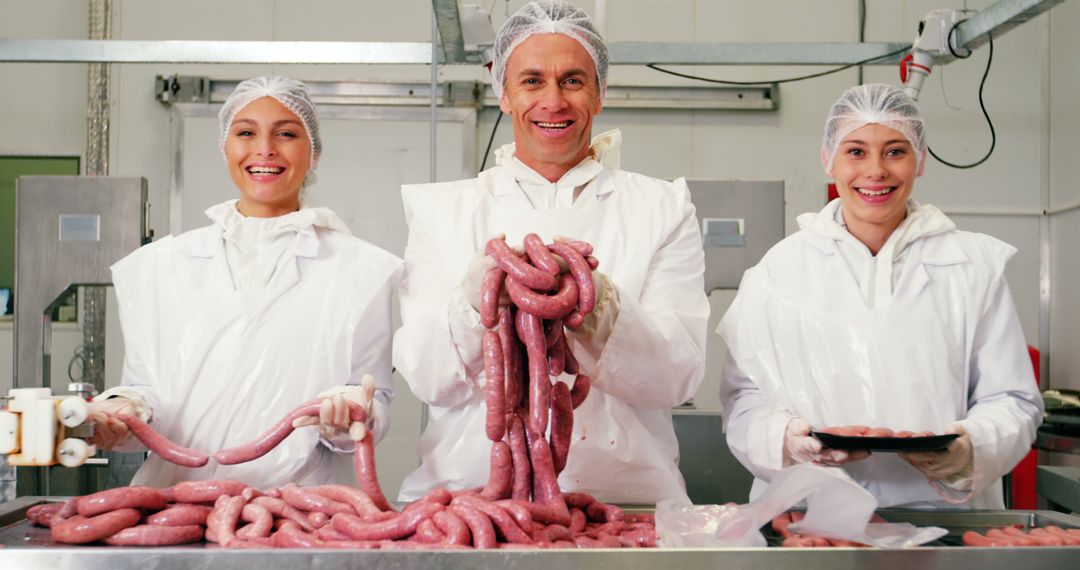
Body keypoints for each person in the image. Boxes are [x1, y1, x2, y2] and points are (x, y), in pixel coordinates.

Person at [393, 0, 708, 504]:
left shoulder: (661, 208)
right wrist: (473, 304)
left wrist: (598, 305)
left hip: (624, 502)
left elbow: (676, 377)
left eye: (573, 80)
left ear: (600, 93)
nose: (553, 101)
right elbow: (429, 379)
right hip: (470, 500)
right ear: (504, 94)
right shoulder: (442, 211)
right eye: (532, 80)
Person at [718, 83, 1043, 508]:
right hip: (809, 517)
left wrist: (970, 448)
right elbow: (745, 397)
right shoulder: (778, 271)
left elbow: (1012, 399)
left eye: (895, 151)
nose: (876, 171)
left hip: (944, 519)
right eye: (855, 151)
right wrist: (785, 440)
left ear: (920, 160)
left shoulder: (971, 266)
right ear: (827, 159)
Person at [87, 76, 403, 489]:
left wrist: (349, 418)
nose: (265, 148)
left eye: (286, 133)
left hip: (306, 511)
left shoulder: (362, 270)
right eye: (246, 132)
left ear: (314, 153)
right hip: (178, 505)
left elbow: (373, 401)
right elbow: (146, 396)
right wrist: (121, 411)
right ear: (225, 147)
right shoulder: (160, 268)